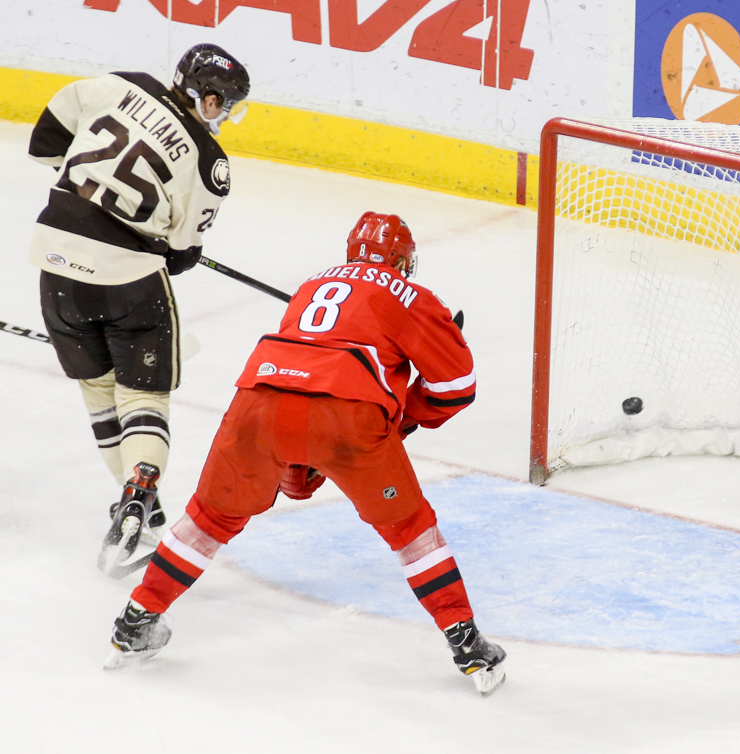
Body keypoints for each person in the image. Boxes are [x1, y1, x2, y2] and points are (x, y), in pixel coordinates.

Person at [103, 211, 507, 696]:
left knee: (209, 518)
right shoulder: (414, 297)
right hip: (348, 414)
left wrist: (303, 459)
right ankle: (466, 643)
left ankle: (135, 621)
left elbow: (302, 388)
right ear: (404, 260)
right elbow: (457, 388)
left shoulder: (311, 285)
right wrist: (399, 417)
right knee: (409, 530)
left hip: (258, 402)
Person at [26, 44, 251, 574]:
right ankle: (140, 489)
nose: (223, 114)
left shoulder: (117, 83)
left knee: (99, 394)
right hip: (127, 278)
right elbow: (179, 255)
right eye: (224, 103)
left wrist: (87, 192)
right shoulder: (211, 163)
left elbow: (46, 143)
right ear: (207, 96)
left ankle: (143, 515)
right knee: (142, 394)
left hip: (55, 257)